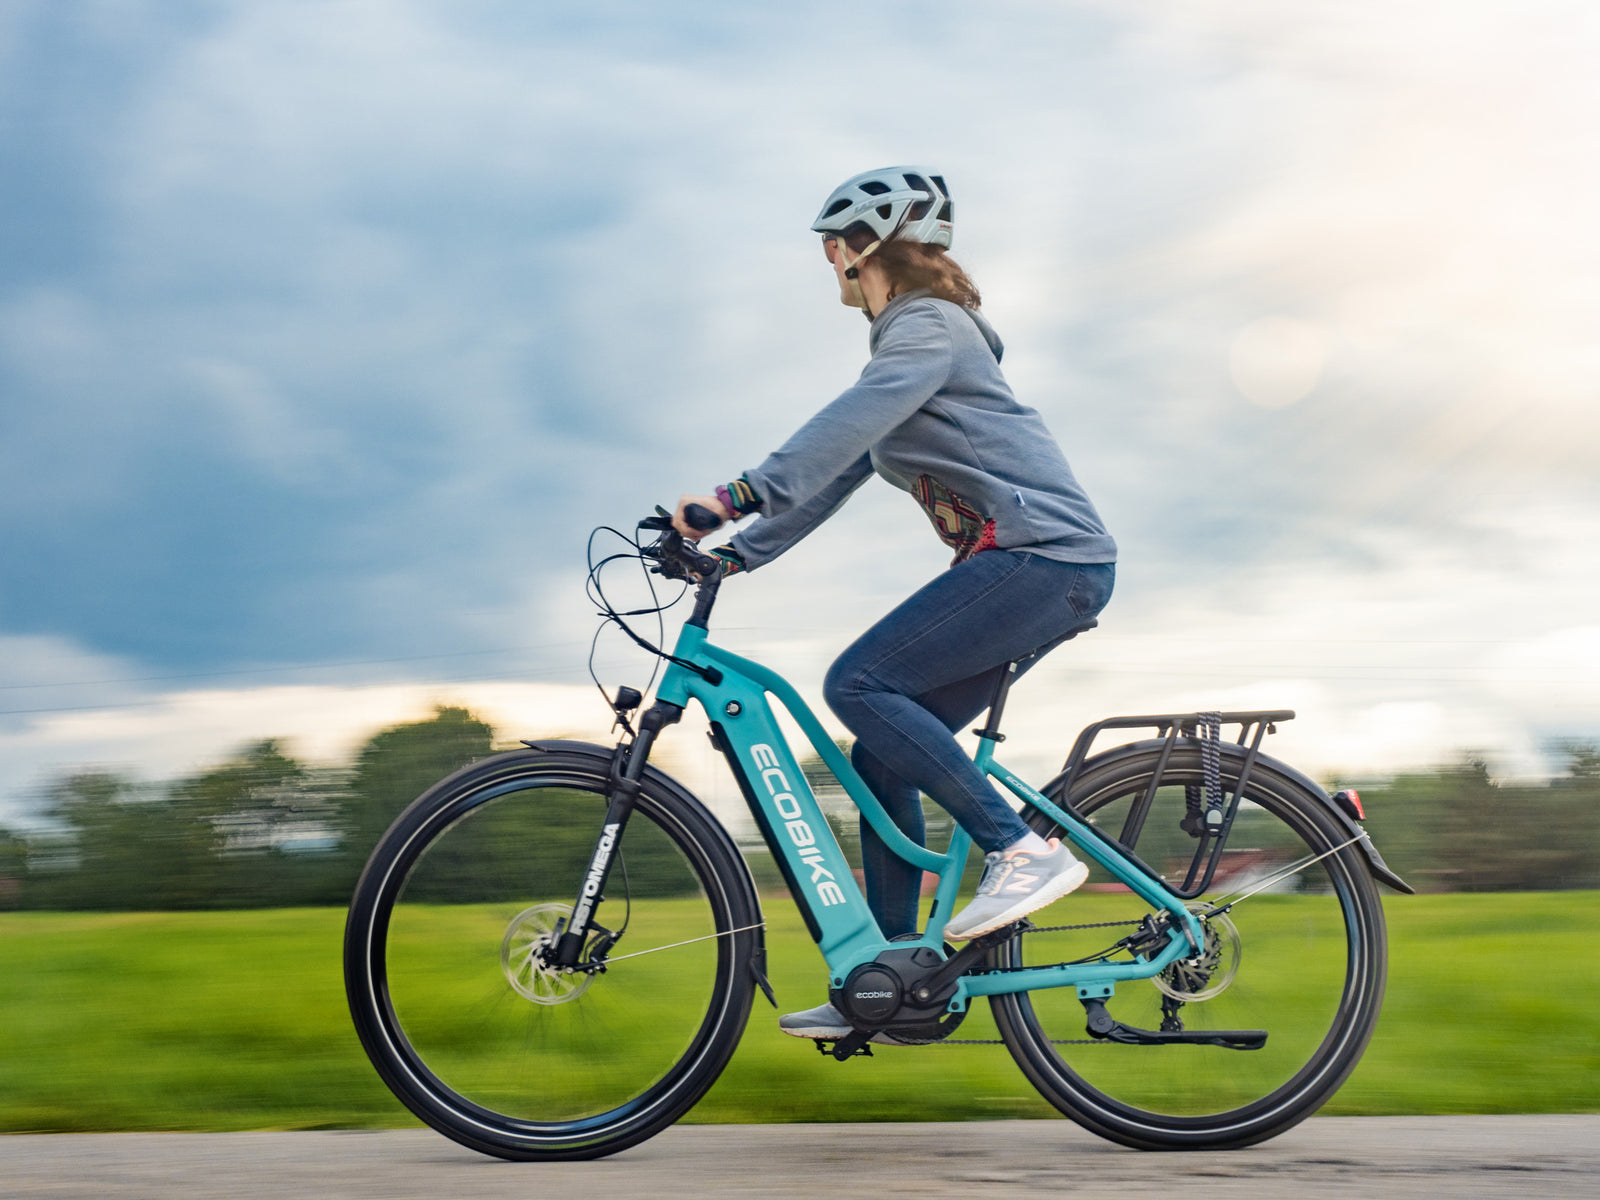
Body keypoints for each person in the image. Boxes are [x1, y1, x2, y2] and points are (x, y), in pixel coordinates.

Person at [672, 166, 1117, 1040]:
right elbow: (838, 470)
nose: (827, 261)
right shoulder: (916, 345)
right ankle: (889, 978)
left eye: (830, 244)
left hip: (1046, 560)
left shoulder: (926, 330)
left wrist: (734, 494)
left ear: (859, 248)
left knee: (859, 684)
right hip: (1036, 567)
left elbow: (850, 418)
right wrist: (735, 556)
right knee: (881, 751)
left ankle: (1019, 851)